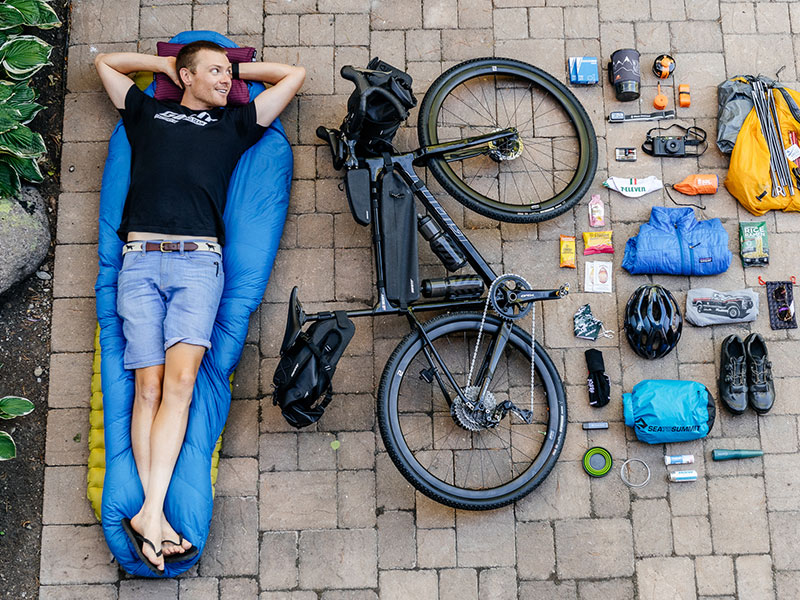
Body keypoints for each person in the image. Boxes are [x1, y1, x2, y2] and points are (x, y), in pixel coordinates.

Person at [94, 41, 304, 573]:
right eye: (214, 71)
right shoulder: (147, 113)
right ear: (185, 76)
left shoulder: (234, 124)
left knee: (179, 386)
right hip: (139, 261)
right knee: (147, 388)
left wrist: (234, 69)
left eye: (228, 74)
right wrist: (164, 67)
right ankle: (153, 519)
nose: (227, 80)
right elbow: (105, 65)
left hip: (198, 266)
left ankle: (151, 511)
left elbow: (293, 75)